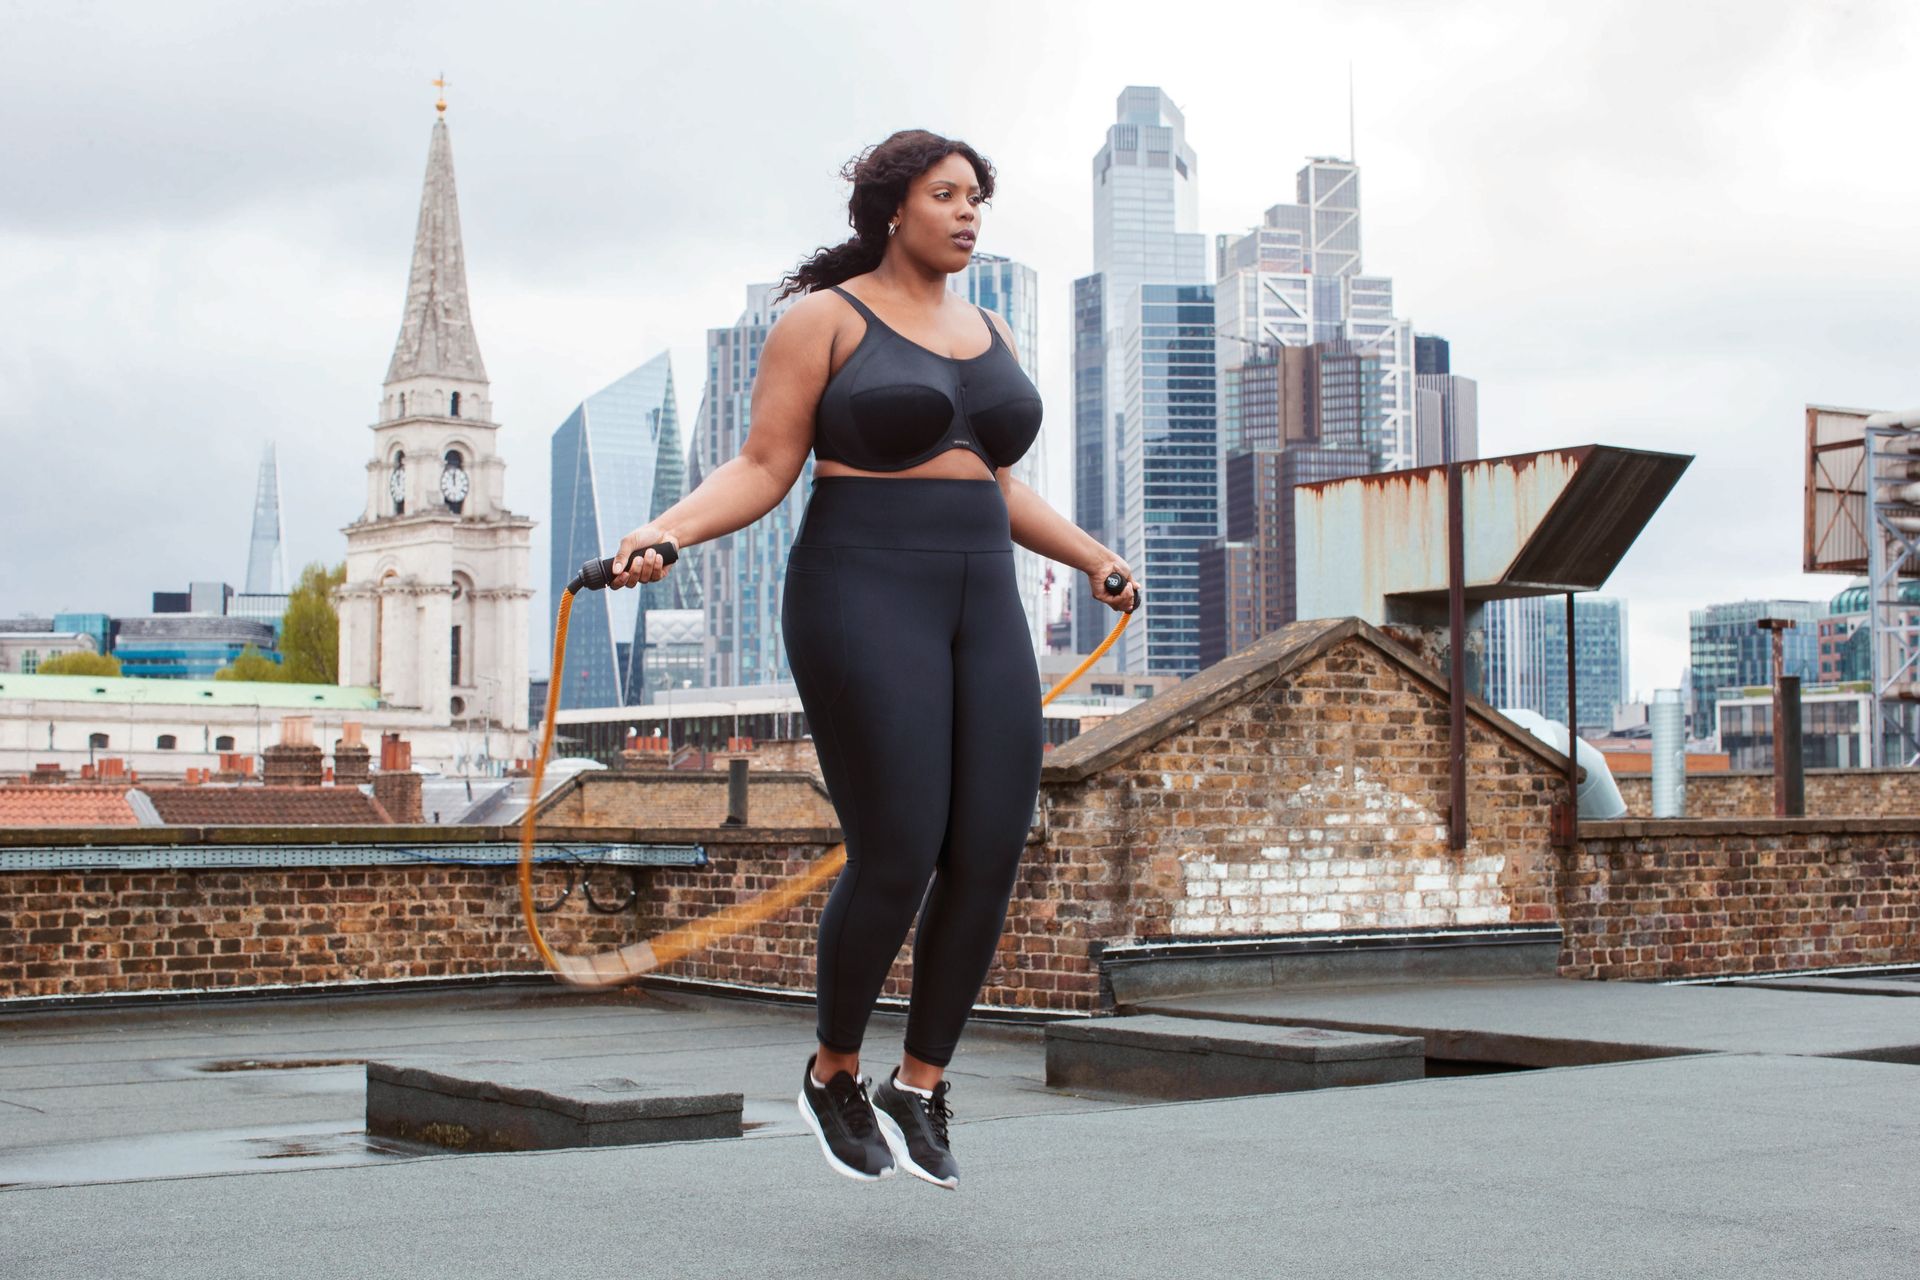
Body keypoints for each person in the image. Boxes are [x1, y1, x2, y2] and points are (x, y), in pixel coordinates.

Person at [608, 129, 1138, 1188]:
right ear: (894, 207)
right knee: (899, 843)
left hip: (982, 594)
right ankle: (835, 1068)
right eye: (948, 194)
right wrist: (667, 531)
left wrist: (1092, 556)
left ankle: (923, 1081)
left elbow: (990, 474)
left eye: (978, 198)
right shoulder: (825, 319)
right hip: (860, 585)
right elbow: (764, 464)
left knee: (987, 845)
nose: (969, 213)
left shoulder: (988, 327)